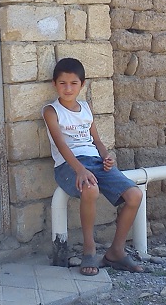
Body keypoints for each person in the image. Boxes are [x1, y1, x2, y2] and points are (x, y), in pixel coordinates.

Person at [43, 57, 145, 276]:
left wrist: (106, 156)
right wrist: (80, 169)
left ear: (82, 85)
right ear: (54, 84)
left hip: (95, 162)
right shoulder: (51, 111)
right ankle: (89, 249)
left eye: (73, 83)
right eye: (62, 83)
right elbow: (61, 145)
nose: (68, 88)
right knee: (90, 189)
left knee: (135, 195)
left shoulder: (86, 108)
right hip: (69, 165)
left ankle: (116, 251)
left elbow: (96, 140)